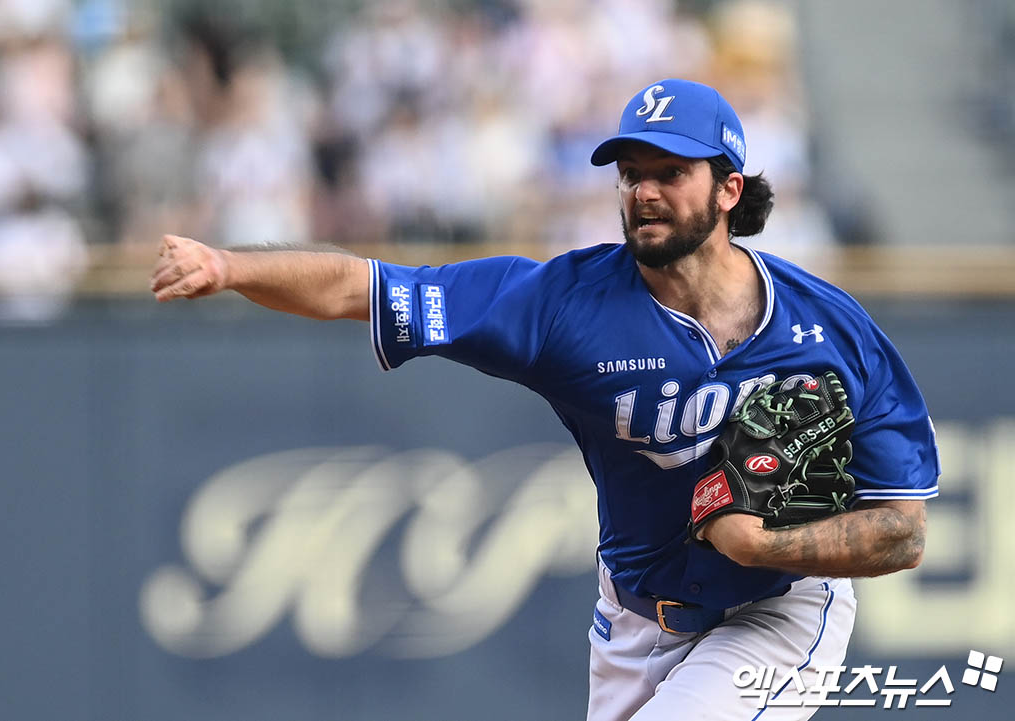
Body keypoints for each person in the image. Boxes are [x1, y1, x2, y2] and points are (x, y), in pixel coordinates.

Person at [150, 78, 938, 721]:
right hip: (635, 617)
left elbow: (902, 533)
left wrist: (761, 546)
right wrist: (229, 265)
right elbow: (365, 285)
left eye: (671, 171)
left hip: (778, 608)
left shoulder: (833, 330)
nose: (645, 191)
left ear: (730, 188)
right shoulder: (563, 305)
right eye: (631, 172)